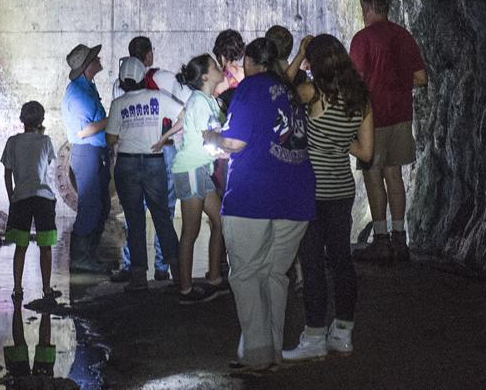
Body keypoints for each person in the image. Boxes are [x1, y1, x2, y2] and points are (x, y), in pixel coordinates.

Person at [202, 38, 316, 373]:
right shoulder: (289, 93)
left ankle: (256, 354)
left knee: (247, 273)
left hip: (253, 197)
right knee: (274, 275)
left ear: (250, 62)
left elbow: (235, 142)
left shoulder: (249, 89)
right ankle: (272, 350)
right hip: (296, 197)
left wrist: (212, 139)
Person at [281, 35, 374, 360]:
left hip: (312, 191)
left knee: (312, 263)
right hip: (341, 191)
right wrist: (339, 140)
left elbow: (279, 90)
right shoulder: (361, 99)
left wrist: (298, 55)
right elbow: (366, 151)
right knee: (341, 260)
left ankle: (314, 337)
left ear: (316, 61)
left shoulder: (314, 93)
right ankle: (343, 333)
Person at [349, 0, 428, 263]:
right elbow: (420, 77)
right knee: (394, 174)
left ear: (370, 8)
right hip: (402, 114)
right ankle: (399, 237)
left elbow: (355, 80)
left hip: (373, 116)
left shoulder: (362, 39)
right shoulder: (403, 36)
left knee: (373, 174)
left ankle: (380, 240)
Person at [110, 35, 188, 283]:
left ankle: (135, 273)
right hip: (158, 154)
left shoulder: (117, 94)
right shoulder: (162, 83)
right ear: (149, 56)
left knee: (133, 218)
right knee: (162, 213)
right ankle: (169, 271)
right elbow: (185, 110)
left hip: (127, 159)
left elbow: (112, 138)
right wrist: (165, 136)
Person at [154, 53, 228, 304]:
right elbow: (208, 134)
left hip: (201, 169)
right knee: (191, 230)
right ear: (206, 76)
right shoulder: (200, 101)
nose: (220, 68)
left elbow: (183, 120)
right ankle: (185, 289)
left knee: (220, 220)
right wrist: (231, 148)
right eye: (215, 66)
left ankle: (215, 278)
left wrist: (164, 138)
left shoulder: (206, 100)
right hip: (191, 170)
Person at [1, 101, 62, 303]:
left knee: (21, 246)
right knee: (45, 247)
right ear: (41, 120)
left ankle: (18, 289)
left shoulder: (12, 142)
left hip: (21, 197)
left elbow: (7, 173)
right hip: (43, 198)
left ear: (22, 119)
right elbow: (47, 167)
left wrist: (12, 197)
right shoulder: (45, 141)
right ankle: (46, 289)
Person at [62, 43, 111, 272]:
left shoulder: (86, 87)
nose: (99, 59)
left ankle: (89, 256)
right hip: (87, 152)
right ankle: (81, 259)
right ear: (87, 66)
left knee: (100, 205)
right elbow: (83, 131)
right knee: (91, 206)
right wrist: (113, 121)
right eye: (94, 57)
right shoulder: (79, 92)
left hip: (94, 153)